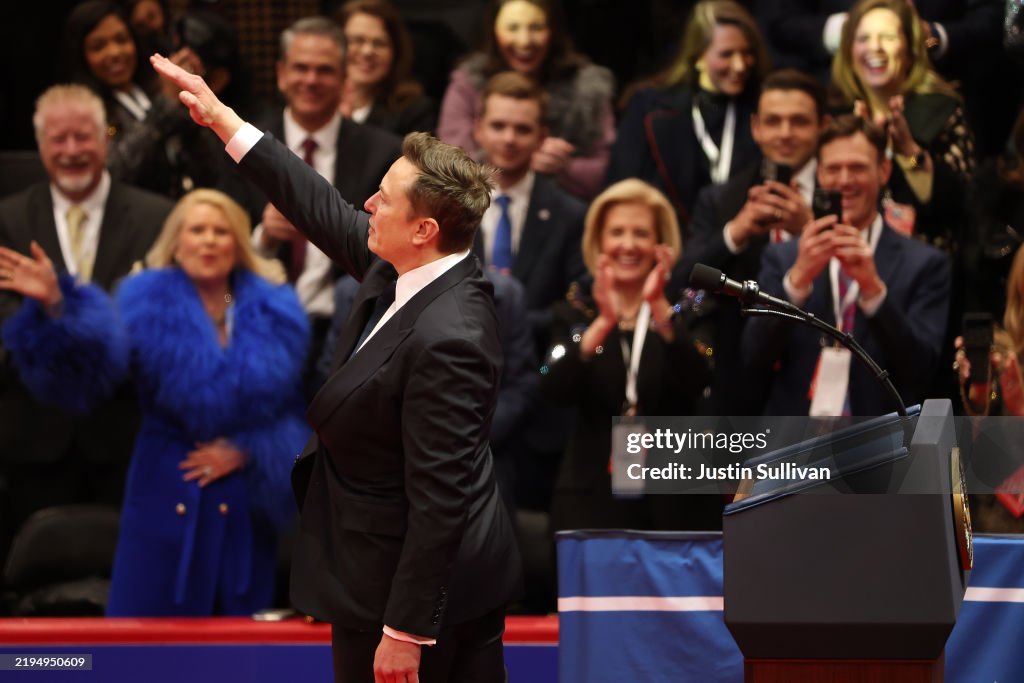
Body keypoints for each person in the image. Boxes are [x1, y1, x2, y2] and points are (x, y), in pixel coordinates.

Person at [151, 50, 522, 681]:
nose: (368, 203)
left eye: (385, 198)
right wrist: (221, 118)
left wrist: (405, 631)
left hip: (415, 601)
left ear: (425, 229)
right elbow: (313, 200)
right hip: (379, 571)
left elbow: (441, 499)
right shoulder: (409, 265)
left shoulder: (450, 337)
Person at [0, 188, 310, 615]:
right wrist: (57, 307)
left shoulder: (275, 311)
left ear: (238, 243)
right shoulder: (141, 302)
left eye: (220, 231)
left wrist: (249, 449)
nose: (208, 240)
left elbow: (294, 412)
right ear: (176, 242)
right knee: (149, 629)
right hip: (166, 485)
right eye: (196, 230)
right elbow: (92, 372)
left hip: (244, 497)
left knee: (237, 636)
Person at [0, 84, 171, 548]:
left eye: (83, 137)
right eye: (59, 139)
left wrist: (58, 311)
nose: (72, 150)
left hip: (128, 436)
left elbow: (160, 329)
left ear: (106, 140)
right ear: (40, 146)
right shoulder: (8, 220)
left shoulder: (157, 218)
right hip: (33, 441)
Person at [742, 114, 950, 416]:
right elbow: (753, 356)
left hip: (883, 434)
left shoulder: (926, 264)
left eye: (857, 168)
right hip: (797, 435)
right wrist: (797, 283)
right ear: (819, 174)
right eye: (833, 168)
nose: (844, 180)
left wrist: (874, 291)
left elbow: (921, 369)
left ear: (884, 171)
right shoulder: (783, 257)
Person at [541, 179, 714, 532]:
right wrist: (604, 322)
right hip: (589, 498)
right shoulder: (576, 310)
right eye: (617, 232)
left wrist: (659, 310)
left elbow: (701, 378)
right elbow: (552, 386)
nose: (629, 244)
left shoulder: (689, 309)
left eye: (641, 233)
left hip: (675, 498)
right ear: (599, 242)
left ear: (661, 244)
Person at [249, 16, 402, 386]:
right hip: (256, 327)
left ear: (345, 78)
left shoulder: (383, 152)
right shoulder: (245, 142)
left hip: (347, 333)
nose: (311, 80)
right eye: (301, 68)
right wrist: (263, 237)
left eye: (325, 70)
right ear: (281, 74)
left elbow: (389, 254)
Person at [677, 68, 829, 415]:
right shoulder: (721, 199)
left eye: (799, 121)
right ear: (756, 128)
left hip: (820, 380)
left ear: (823, 125)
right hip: (737, 387)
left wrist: (808, 229)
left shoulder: (845, 193)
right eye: (773, 121)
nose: (785, 133)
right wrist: (735, 233)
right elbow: (683, 279)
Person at [605, 0, 768, 229]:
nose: (740, 65)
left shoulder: (762, 109)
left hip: (740, 242)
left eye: (747, 53)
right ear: (698, 55)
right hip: (666, 240)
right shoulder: (648, 107)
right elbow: (621, 187)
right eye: (726, 54)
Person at [829, 0, 974, 252]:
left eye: (888, 37)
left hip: (922, 261)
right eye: (863, 38)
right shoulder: (836, 116)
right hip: (844, 257)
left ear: (911, 51)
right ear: (849, 51)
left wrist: (909, 152)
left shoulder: (942, 111)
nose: (875, 47)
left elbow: (958, 204)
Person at [437, 0, 616, 199]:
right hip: (482, 205)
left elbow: (610, 170)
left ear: (553, 31)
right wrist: (512, 159)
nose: (525, 41)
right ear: (494, 30)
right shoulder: (469, 82)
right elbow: (448, 163)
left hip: (565, 206)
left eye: (536, 27)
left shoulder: (588, 89)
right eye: (513, 27)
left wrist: (564, 166)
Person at [58, 1, 225, 198]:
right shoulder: (79, 110)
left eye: (122, 40)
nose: (115, 52)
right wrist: (165, 104)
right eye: (99, 46)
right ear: (82, 55)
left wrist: (189, 101)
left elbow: (212, 171)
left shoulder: (152, 90)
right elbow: (112, 174)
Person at [335, 0, 438, 136]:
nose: (367, 51)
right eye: (357, 40)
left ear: (395, 51)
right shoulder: (314, 100)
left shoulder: (414, 111)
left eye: (380, 43)